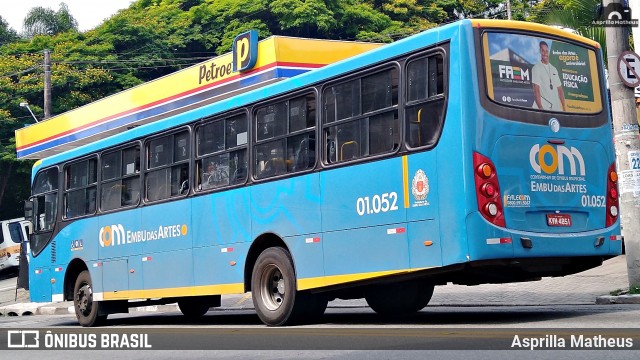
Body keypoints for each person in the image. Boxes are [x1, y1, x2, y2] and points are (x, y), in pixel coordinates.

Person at [532, 41, 566, 111]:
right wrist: (541, 109)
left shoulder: (554, 69)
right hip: (544, 110)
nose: (545, 53)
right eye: (543, 51)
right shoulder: (536, 68)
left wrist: (564, 108)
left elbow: (560, 89)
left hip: (556, 110)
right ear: (540, 52)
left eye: (546, 51)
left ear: (549, 52)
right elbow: (536, 90)